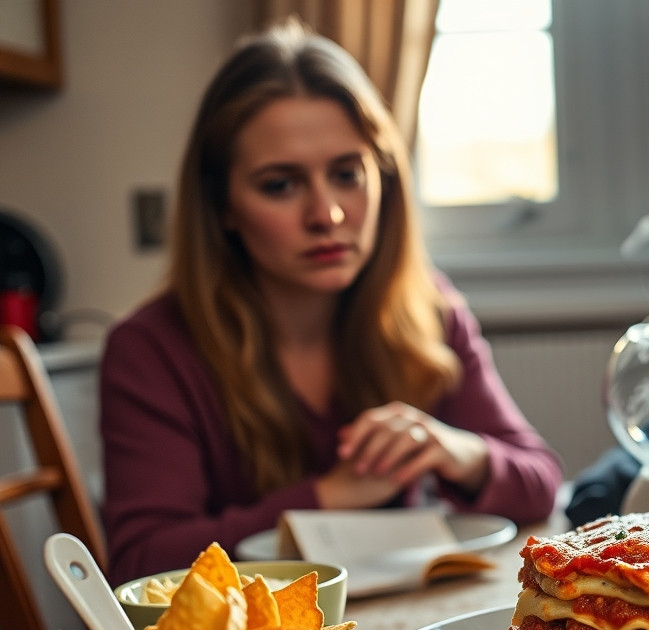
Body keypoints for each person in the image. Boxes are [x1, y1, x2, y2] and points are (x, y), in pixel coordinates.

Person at [101, 22, 563, 583]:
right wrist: (327, 497)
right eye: (280, 185)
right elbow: (141, 562)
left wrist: (455, 450)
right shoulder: (149, 349)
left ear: (383, 178)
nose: (328, 214)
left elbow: (541, 482)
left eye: (347, 174)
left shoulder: (427, 308)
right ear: (222, 206)